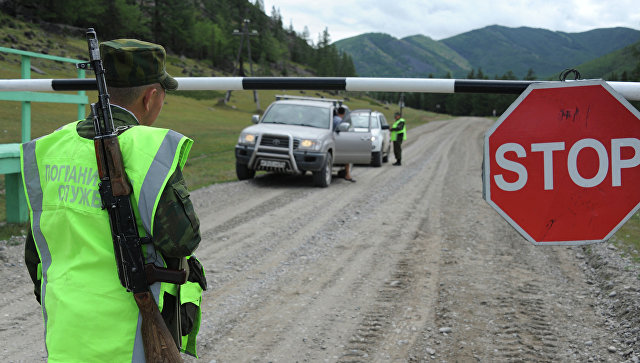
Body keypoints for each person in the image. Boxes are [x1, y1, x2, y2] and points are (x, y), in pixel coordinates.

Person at [21, 39, 205, 362]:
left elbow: (36, 256)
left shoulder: (50, 148)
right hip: (129, 348)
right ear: (151, 98)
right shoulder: (149, 150)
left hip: (66, 342)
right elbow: (183, 239)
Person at [333, 106, 355, 182]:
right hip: (337, 141)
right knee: (348, 156)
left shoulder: (333, 118)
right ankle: (347, 175)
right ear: (344, 113)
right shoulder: (339, 120)